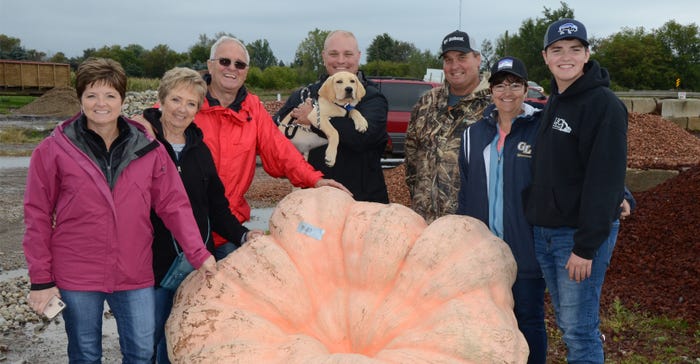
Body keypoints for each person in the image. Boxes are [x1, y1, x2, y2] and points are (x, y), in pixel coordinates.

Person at [22, 58, 216, 364]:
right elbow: (37, 214)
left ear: (122, 100)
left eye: (110, 95)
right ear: (80, 99)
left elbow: (173, 205)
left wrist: (199, 254)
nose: (101, 104)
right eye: (92, 95)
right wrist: (41, 280)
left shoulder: (147, 147)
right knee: (85, 354)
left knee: (140, 352)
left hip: (134, 271)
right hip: (77, 272)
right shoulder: (53, 149)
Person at [137, 36, 350, 259]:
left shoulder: (253, 109)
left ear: (246, 71)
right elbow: (153, 120)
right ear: (210, 65)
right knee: (171, 289)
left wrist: (315, 179)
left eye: (239, 64)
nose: (232, 69)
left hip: (227, 227)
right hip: (176, 230)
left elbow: (280, 150)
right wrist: (139, 125)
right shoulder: (188, 103)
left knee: (230, 290)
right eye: (224, 61)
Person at [523, 18, 628, 363]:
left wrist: (585, 247)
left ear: (587, 54)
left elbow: (605, 176)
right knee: (570, 325)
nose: (565, 56)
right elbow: (569, 167)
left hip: (576, 239)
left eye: (574, 49)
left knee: (579, 332)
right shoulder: (556, 100)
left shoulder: (604, 105)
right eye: (557, 50)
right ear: (546, 56)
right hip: (547, 233)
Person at [143, 67, 264, 363]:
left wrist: (243, 235)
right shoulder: (143, 144)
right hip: (153, 264)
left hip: (198, 264)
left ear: (198, 109)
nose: (182, 110)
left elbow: (217, 206)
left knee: (186, 338)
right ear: (161, 100)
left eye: (191, 104)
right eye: (175, 100)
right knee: (151, 339)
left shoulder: (200, 151)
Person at [457, 56, 547, 363]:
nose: (506, 91)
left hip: (527, 248)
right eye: (499, 84)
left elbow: (577, 166)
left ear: (526, 89)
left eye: (514, 84)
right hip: (485, 251)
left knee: (529, 320)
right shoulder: (472, 135)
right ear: (490, 89)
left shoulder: (542, 127)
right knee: (485, 321)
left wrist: (619, 194)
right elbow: (466, 191)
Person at [274, 30, 390, 203]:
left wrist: (313, 119)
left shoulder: (372, 98)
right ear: (324, 56)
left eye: (348, 54)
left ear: (358, 56)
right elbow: (275, 137)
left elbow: (362, 136)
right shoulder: (303, 95)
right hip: (313, 202)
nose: (341, 60)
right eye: (334, 54)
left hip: (362, 203)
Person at [405, 30, 491, 223]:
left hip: (472, 226)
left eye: (462, 57)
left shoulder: (495, 106)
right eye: (448, 59)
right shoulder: (427, 102)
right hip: (424, 223)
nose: (454, 66)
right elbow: (412, 163)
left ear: (478, 59)